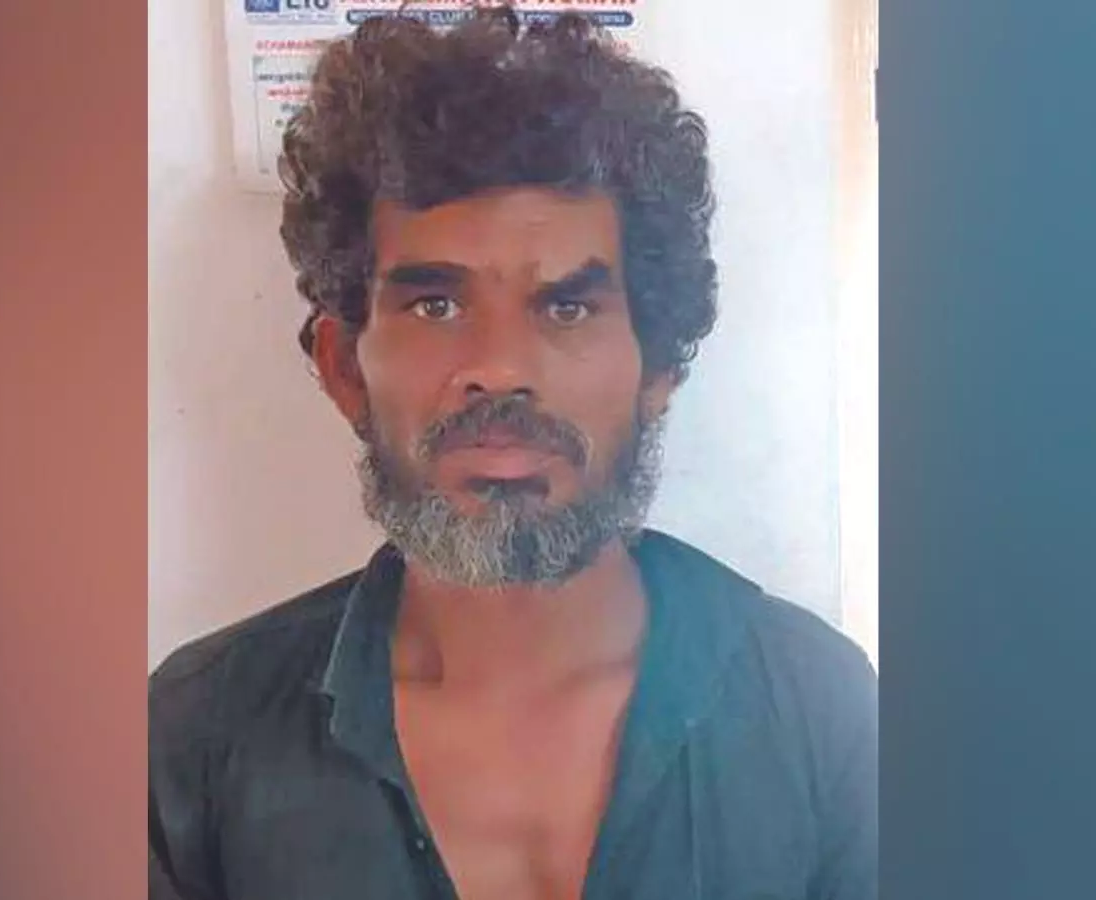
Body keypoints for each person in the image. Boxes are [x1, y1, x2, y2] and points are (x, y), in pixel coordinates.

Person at [149, 7, 876, 899]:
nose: (499, 369)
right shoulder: (197, 738)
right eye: (436, 306)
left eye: (567, 308)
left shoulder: (821, 712)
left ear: (658, 365)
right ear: (344, 368)